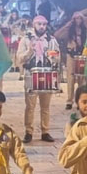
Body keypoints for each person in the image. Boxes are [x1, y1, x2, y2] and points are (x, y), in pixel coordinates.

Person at [17, 14, 59, 142]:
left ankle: (45, 131)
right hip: (31, 74)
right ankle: (28, 131)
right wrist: (29, 51)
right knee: (30, 106)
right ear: (34, 25)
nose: (42, 27)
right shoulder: (26, 39)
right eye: (39, 24)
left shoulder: (51, 40)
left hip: (46, 74)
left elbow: (57, 57)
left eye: (44, 24)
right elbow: (19, 58)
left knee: (45, 106)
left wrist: (52, 56)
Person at [65, 12, 87, 110]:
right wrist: (67, 25)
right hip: (71, 55)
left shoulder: (85, 30)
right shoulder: (69, 30)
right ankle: (69, 100)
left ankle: (80, 100)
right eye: (76, 18)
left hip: (82, 55)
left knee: (81, 78)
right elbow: (58, 34)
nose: (78, 20)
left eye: (80, 18)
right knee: (70, 77)